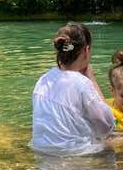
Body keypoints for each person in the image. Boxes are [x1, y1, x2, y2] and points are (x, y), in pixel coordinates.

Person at [31, 23, 115, 156]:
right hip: (76, 157)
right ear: (86, 50)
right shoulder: (82, 83)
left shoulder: (42, 80)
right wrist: (91, 79)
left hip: (42, 156)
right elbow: (107, 127)